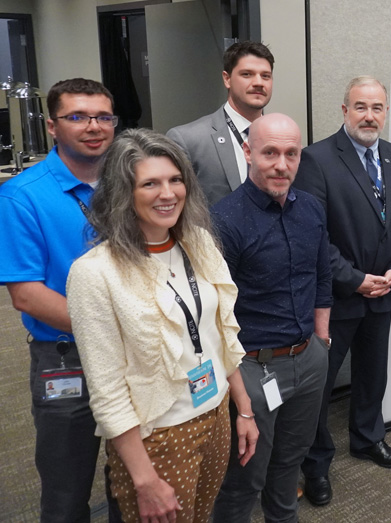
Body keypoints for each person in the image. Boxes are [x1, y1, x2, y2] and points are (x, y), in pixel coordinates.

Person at [65, 130, 258, 523]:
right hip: (159, 436)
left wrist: (244, 408)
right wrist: (144, 478)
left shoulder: (199, 242)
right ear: (124, 193)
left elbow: (221, 332)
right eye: (150, 183)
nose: (167, 193)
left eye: (175, 179)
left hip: (216, 412)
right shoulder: (95, 273)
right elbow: (107, 390)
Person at [295, 76, 391, 507]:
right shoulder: (316, 159)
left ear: (386, 112)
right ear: (344, 109)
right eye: (361, 106)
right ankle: (315, 465)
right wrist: (354, 278)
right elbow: (313, 235)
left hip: (384, 290)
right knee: (319, 387)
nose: (370, 115)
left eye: (378, 107)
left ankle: (368, 439)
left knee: (373, 374)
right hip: (337, 297)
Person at [0, 78, 116, 521]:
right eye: (78, 117)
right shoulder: (22, 196)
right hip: (67, 358)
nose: (93, 127)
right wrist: (113, 327)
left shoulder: (128, 182)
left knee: (135, 474)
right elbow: (27, 297)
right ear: (52, 126)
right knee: (67, 490)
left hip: (135, 352)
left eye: (103, 117)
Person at [211, 113, 332, 522]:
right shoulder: (223, 221)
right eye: (270, 153)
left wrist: (322, 340)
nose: (282, 164)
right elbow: (212, 312)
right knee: (245, 475)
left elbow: (322, 276)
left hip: (309, 359)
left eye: (291, 154)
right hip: (252, 368)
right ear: (248, 152)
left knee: (289, 464)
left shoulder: (311, 209)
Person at [167, 41, 275, 206]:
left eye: (265, 76)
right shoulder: (187, 140)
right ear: (227, 79)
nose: (259, 82)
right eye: (247, 74)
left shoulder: (281, 137)